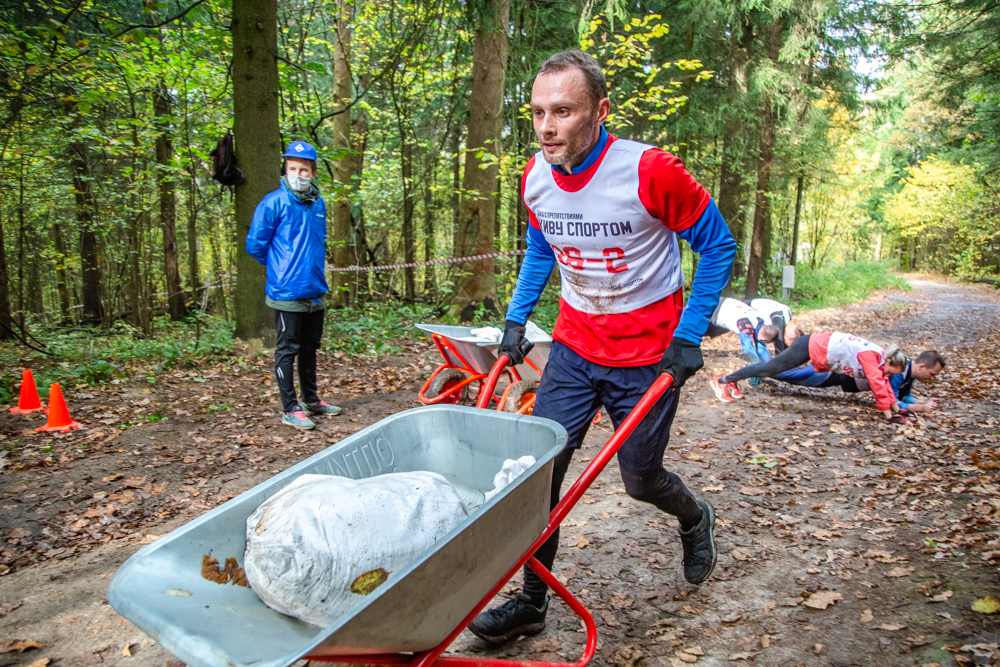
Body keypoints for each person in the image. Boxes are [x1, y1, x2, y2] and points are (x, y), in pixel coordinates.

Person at [468, 50, 737, 646]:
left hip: (648, 355)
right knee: (540, 477)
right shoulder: (536, 177)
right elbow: (542, 248)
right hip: (573, 347)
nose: (546, 127)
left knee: (640, 480)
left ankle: (695, 517)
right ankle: (532, 601)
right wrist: (516, 321)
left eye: (563, 111)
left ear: (599, 111)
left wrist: (691, 334)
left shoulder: (650, 171)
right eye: (538, 111)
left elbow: (718, 245)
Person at [246, 141, 342, 430]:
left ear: (312, 172)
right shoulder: (273, 202)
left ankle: (310, 399)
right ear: (285, 169)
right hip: (286, 291)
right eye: (292, 168)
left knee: (310, 347)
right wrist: (280, 268)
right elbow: (255, 245)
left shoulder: (318, 203)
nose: (298, 174)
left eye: (303, 169)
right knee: (287, 349)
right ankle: (289, 408)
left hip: (315, 288)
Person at [710, 332, 909, 421]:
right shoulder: (871, 356)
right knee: (769, 369)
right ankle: (723, 380)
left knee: (771, 369)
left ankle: (731, 379)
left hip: (815, 345)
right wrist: (890, 417)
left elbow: (884, 384)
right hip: (810, 345)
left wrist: (896, 409)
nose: (888, 375)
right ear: (890, 362)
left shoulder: (879, 357)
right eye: (891, 372)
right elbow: (876, 384)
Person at [773, 349, 945, 412]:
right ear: (922, 367)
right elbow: (893, 402)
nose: (931, 379)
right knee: (793, 376)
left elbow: (904, 396)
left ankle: (764, 368)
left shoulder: (908, 373)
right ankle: (759, 369)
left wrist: (922, 401)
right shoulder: (898, 372)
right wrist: (921, 408)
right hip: (838, 373)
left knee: (795, 375)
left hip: (841, 378)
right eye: (932, 374)